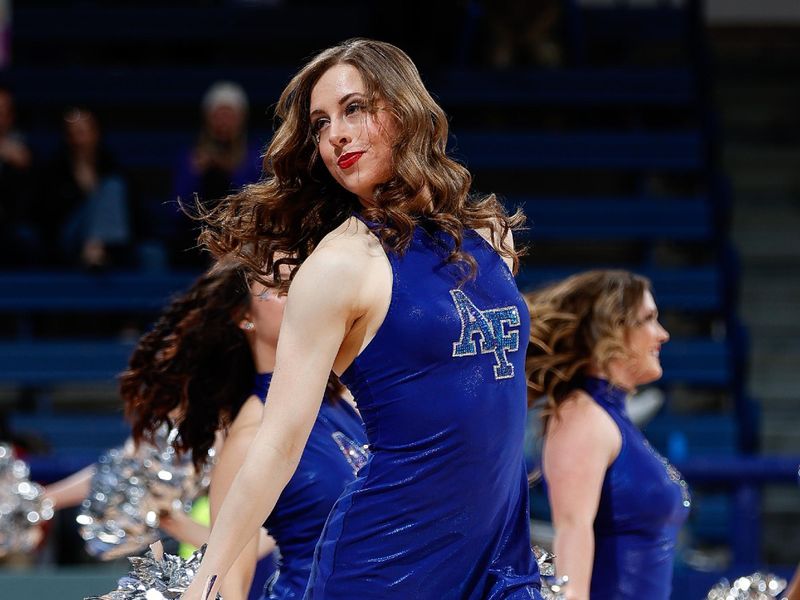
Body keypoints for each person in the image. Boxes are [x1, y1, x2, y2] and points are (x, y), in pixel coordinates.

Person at [182, 38, 541, 599]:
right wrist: (204, 583)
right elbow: (276, 445)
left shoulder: (491, 236)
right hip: (384, 569)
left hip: (500, 563)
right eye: (321, 124)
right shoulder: (339, 265)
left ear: (403, 107)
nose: (336, 136)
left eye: (354, 108)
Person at [525, 270, 691, 600]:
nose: (663, 334)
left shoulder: (611, 419)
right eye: (648, 319)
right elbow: (572, 530)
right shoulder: (582, 417)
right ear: (611, 328)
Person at [169, 81, 263, 268]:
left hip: (244, 233)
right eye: (218, 116)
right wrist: (195, 173)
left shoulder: (255, 156)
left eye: (229, 116)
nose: (223, 123)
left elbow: (259, 202)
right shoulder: (192, 157)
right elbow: (177, 209)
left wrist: (229, 169)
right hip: (196, 238)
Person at [38, 107, 132, 268]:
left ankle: (95, 247)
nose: (79, 139)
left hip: (114, 244)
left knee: (113, 185)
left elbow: (130, 212)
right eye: (73, 133)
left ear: (96, 133)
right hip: (69, 237)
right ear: (66, 137)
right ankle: (94, 249)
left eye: (83, 132)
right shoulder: (54, 170)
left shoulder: (112, 168)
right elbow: (49, 216)